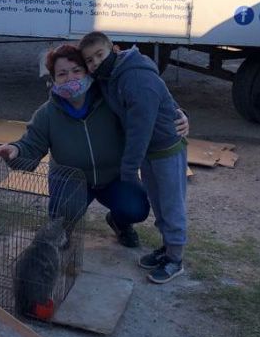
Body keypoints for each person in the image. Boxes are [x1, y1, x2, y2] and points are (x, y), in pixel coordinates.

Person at [0, 44, 187, 247]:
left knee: (136, 208)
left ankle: (119, 222)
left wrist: (179, 114)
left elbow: (147, 103)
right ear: (53, 79)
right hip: (71, 180)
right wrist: (15, 150)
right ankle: (64, 228)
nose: (71, 78)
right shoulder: (47, 114)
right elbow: (31, 144)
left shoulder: (111, 100)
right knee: (64, 211)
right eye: (62, 74)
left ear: (88, 72)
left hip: (112, 177)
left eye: (77, 71)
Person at [79, 32, 189, 284]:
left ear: (114, 50)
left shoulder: (134, 77)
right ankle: (167, 248)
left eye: (100, 55)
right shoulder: (108, 78)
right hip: (150, 152)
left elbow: (141, 129)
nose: (95, 63)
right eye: (90, 61)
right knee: (159, 203)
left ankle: (176, 259)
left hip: (166, 148)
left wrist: (129, 170)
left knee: (171, 204)